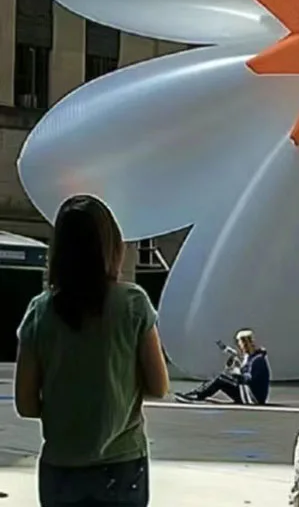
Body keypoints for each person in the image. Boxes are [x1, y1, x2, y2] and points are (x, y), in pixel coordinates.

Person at [14, 194, 169, 507]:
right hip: (122, 464)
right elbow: (159, 386)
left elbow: (26, 404)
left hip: (61, 467)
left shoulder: (39, 312)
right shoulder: (133, 304)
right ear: (111, 245)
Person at [177, 329, 270, 405]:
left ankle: (197, 395)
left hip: (253, 397)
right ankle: (199, 392)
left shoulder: (258, 360)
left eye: (243, 344)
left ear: (249, 343)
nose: (241, 347)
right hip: (249, 393)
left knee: (221, 379)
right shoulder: (250, 358)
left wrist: (236, 373)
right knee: (221, 377)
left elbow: (249, 379)